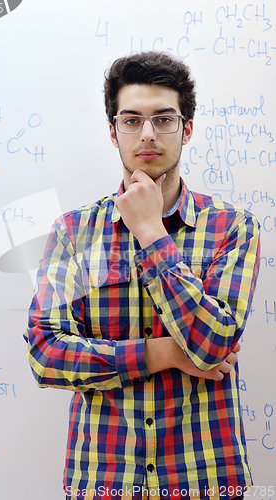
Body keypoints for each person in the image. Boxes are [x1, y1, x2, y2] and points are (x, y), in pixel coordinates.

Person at [24, 52, 260, 500]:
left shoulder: (232, 227)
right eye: (131, 120)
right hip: (104, 479)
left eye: (163, 119)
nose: (147, 134)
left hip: (204, 477)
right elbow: (45, 354)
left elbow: (215, 343)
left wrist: (152, 233)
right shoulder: (74, 233)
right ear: (113, 133)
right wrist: (163, 353)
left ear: (186, 129)